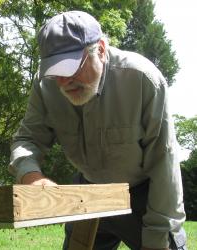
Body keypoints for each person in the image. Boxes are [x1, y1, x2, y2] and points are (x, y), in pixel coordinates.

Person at [9, 10, 187, 250]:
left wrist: (159, 237)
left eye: (71, 66)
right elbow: (27, 138)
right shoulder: (45, 85)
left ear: (101, 50)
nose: (63, 81)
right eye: (55, 70)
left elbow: (164, 163)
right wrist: (31, 177)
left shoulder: (143, 80)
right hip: (87, 193)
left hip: (145, 197)